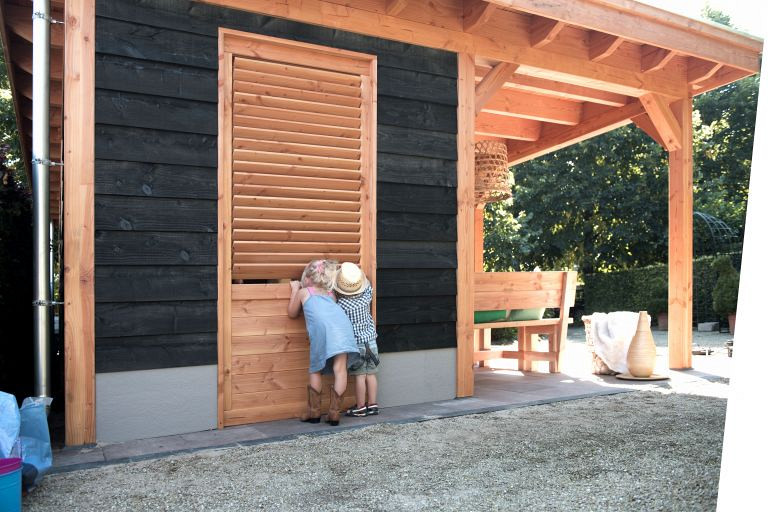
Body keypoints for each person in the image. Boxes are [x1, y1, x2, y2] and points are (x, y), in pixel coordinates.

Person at [287, 259, 358, 426]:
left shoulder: (304, 292)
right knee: (340, 369)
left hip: (323, 330)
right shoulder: (330, 294)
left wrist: (295, 289)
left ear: (307, 278)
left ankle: (314, 412)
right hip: (343, 327)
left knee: (315, 369)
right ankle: (334, 413)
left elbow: (292, 313)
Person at [333, 262, 380, 417]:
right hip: (371, 342)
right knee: (371, 374)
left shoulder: (341, 304)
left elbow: (332, 293)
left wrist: (338, 273)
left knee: (360, 375)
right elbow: (368, 286)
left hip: (356, 344)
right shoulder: (366, 298)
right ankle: (373, 404)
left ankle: (360, 407)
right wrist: (357, 273)